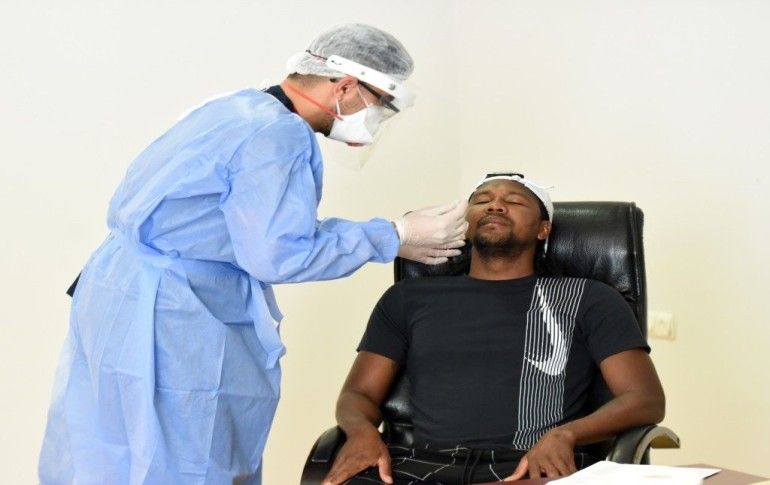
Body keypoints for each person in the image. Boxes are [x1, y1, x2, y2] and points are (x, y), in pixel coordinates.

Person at [39, 24, 468, 484]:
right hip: (176, 312)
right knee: (190, 452)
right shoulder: (277, 136)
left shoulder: (234, 108)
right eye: (377, 104)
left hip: (118, 290)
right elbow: (278, 253)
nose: (374, 120)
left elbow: (258, 224)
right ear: (345, 86)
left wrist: (387, 234)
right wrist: (393, 235)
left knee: (107, 444)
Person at [322, 173, 666, 484]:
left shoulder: (589, 298)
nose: (496, 206)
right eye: (483, 200)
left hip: (533, 467)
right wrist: (361, 433)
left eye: (514, 201)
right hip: (420, 466)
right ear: (465, 225)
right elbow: (359, 394)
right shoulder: (407, 298)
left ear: (543, 229)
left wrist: (566, 435)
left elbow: (645, 399)